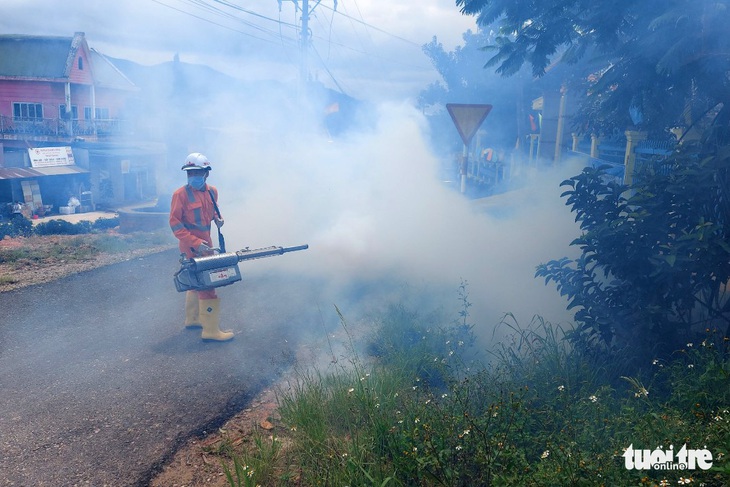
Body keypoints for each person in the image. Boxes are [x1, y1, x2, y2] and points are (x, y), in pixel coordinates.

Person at [169, 152, 233, 342]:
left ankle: (193, 319)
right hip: (190, 245)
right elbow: (175, 224)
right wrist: (196, 243)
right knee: (207, 284)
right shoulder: (179, 195)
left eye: (197, 173)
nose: (193, 177)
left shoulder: (212, 192)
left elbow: (212, 211)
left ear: (206, 173)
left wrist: (217, 220)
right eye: (190, 173)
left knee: (195, 281)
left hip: (207, 244)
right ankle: (211, 331)